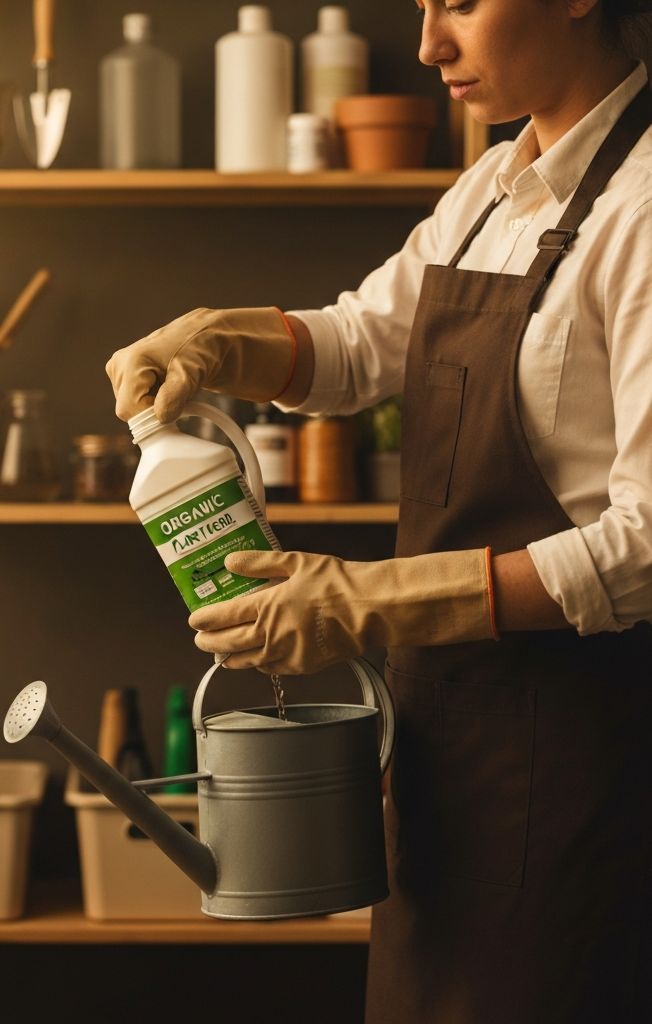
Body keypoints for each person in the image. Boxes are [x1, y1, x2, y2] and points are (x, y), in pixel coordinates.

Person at [106, 1, 652, 1021]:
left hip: (583, 769)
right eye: (419, 7)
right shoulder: (496, 189)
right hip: (445, 759)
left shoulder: (644, 208)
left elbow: (645, 550)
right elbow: (363, 341)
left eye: (459, 5)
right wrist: (216, 340)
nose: (426, 46)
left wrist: (369, 598)